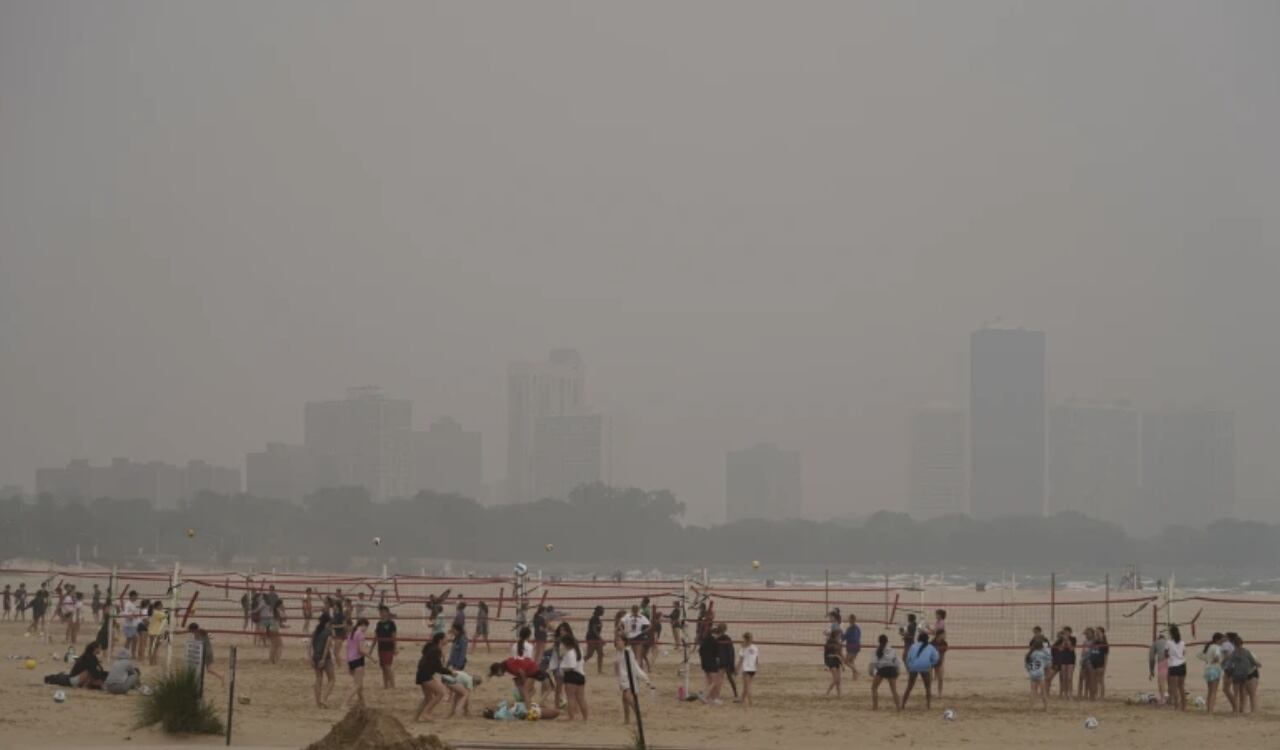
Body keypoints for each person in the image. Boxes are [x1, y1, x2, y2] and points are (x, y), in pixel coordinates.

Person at [614, 632, 651, 725]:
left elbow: (635, 667)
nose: (616, 642)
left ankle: (639, 715)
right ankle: (627, 720)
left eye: (618, 640)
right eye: (616, 640)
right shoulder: (619, 652)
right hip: (623, 679)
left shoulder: (628, 652)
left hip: (630, 679)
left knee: (627, 697)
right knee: (624, 699)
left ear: (624, 642)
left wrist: (645, 678)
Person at [414, 632, 452, 722]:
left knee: (428, 698)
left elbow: (434, 666)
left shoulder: (433, 648)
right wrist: (450, 672)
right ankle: (426, 713)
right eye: (446, 638)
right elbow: (438, 667)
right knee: (441, 693)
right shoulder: (436, 650)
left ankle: (415, 718)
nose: (447, 639)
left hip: (422, 674)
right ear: (440, 640)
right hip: (425, 675)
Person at [1223, 633, 1261, 715]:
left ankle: (1239, 710)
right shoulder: (1246, 652)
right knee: (1247, 693)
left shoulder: (1233, 653)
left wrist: (1228, 673)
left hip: (1240, 674)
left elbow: (1229, 665)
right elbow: (1254, 662)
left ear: (1234, 644)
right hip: (1246, 674)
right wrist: (1258, 664)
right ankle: (1246, 710)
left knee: (1239, 693)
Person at [901, 631, 939, 709]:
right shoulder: (930, 647)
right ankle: (928, 706)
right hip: (925, 666)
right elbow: (936, 658)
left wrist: (909, 666)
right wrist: (930, 664)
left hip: (914, 666)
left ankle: (903, 705)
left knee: (909, 687)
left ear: (918, 638)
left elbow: (908, 658)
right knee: (928, 687)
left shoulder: (913, 646)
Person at [343, 618, 372, 708]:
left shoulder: (351, 633)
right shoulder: (360, 634)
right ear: (363, 625)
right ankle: (345, 703)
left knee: (359, 684)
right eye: (366, 627)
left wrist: (348, 663)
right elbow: (361, 650)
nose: (366, 629)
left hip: (351, 660)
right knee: (357, 685)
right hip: (358, 660)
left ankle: (361, 702)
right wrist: (371, 657)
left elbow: (347, 648)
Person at [869, 634, 903, 711]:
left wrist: (871, 672)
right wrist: (898, 671)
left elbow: (873, 663)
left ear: (879, 641)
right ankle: (898, 707)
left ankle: (875, 707)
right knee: (894, 690)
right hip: (892, 669)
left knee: (874, 688)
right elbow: (897, 662)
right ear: (887, 641)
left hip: (882, 669)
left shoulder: (876, 650)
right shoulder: (892, 650)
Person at [560, 631, 589, 720]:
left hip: (571, 676)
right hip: (580, 675)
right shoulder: (579, 649)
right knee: (581, 698)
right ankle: (585, 717)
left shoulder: (570, 653)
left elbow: (571, 666)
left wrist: (563, 668)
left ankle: (571, 717)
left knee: (571, 698)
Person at [311, 613, 336, 707]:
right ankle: (324, 699)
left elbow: (310, 646)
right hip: (325, 657)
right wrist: (323, 659)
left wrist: (311, 658)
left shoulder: (316, 631)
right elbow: (326, 647)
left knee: (318, 679)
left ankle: (318, 702)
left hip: (315, 656)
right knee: (332, 679)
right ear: (328, 623)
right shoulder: (328, 632)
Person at [1198, 632, 1225, 714]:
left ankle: (1208, 710)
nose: (1223, 642)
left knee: (1209, 691)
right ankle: (1210, 710)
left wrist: (1209, 661)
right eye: (1221, 640)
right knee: (1214, 692)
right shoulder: (1217, 647)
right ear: (1217, 640)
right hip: (1215, 669)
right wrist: (1217, 661)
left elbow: (1200, 655)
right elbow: (1217, 657)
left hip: (1208, 669)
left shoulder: (1209, 647)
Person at [1165, 624, 1188, 711]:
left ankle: (1176, 706)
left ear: (1171, 633)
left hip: (1173, 665)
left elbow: (1166, 654)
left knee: (1174, 687)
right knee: (1181, 686)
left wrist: (1171, 656)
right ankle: (1184, 706)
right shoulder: (1182, 642)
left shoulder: (1168, 642)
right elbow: (1183, 653)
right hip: (1182, 664)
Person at [1025, 635, 1052, 710]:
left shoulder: (1030, 654)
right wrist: (1046, 648)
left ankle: (1031, 708)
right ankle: (1046, 708)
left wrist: (1030, 671)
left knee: (1033, 691)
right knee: (1043, 691)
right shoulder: (1042, 654)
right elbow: (1049, 659)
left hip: (1033, 673)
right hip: (1040, 674)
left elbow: (1027, 665)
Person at [1049, 627, 1076, 700]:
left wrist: (1068, 641)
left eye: (1067, 632)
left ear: (1070, 632)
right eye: (1064, 632)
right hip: (1063, 659)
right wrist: (1064, 641)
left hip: (1071, 660)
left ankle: (1070, 694)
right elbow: (1060, 649)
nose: (1065, 633)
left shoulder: (1073, 639)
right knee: (1064, 678)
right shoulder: (1061, 640)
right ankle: (1065, 694)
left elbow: (1071, 649)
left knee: (1069, 678)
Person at [374, 605, 397, 688]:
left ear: (387, 613)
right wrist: (371, 648)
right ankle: (385, 685)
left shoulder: (391, 623)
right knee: (383, 667)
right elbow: (376, 637)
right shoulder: (379, 623)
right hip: (381, 647)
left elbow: (394, 636)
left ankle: (393, 685)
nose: (382, 614)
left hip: (389, 647)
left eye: (384, 612)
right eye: (381, 612)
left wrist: (395, 648)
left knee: (387, 666)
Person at [699, 623, 722, 703]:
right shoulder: (715, 642)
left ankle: (711, 698)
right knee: (714, 682)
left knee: (709, 681)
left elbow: (700, 651)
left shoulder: (705, 640)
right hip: (712, 664)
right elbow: (717, 656)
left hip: (704, 663)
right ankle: (705, 696)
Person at [716, 623, 738, 700]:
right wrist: (732, 663)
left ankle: (717, 695)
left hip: (720, 661)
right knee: (730, 678)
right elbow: (731, 652)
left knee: (719, 678)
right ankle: (735, 694)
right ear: (725, 630)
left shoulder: (717, 639)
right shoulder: (728, 639)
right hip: (727, 661)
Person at [929, 610, 948, 696]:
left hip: (939, 657)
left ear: (940, 615)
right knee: (931, 676)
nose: (935, 615)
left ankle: (939, 694)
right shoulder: (937, 622)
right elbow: (935, 632)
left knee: (940, 677)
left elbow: (935, 631)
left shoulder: (941, 622)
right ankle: (930, 691)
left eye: (937, 614)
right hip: (934, 656)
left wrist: (927, 629)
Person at [737, 632, 758, 707]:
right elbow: (756, 659)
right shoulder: (755, 647)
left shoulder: (743, 648)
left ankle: (751, 703)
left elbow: (740, 660)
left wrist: (737, 669)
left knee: (748, 686)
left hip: (746, 669)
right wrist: (756, 667)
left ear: (745, 639)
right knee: (746, 686)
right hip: (753, 669)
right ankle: (742, 699)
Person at [1148, 629, 1169, 704]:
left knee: (1161, 682)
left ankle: (1163, 699)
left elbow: (1151, 658)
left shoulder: (1155, 643)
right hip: (1174, 663)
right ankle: (1171, 698)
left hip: (1162, 662)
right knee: (1172, 681)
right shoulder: (1168, 642)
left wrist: (1151, 671)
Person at [585, 606, 607, 674]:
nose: (603, 612)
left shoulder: (597, 618)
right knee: (589, 654)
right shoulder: (594, 619)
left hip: (596, 638)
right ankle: (578, 664)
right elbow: (594, 630)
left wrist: (600, 639)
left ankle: (599, 670)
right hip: (591, 638)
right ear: (598, 611)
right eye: (602, 610)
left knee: (600, 654)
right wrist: (601, 639)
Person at [121, 591, 142, 658]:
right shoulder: (128, 604)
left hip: (133, 624)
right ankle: (128, 654)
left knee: (132, 640)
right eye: (135, 596)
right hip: (129, 625)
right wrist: (132, 616)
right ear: (132, 596)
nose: (136, 597)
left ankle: (131, 654)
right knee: (130, 640)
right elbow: (126, 613)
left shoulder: (132, 604)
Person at [824, 629, 843, 697]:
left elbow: (841, 654)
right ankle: (827, 693)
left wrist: (842, 663)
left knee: (839, 679)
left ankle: (839, 694)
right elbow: (827, 655)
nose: (840, 637)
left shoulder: (838, 643)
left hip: (837, 661)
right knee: (836, 679)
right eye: (839, 636)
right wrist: (836, 656)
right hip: (831, 661)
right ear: (836, 636)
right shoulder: (829, 643)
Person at [1092, 626, 1110, 700]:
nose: (1096, 633)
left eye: (1098, 632)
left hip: (1100, 663)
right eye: (1096, 632)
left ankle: (1102, 696)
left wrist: (1104, 667)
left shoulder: (1105, 643)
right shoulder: (1095, 642)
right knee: (1095, 680)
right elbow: (1092, 652)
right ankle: (1096, 695)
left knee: (1100, 680)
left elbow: (1106, 656)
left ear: (1102, 633)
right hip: (1094, 662)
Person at [147, 601, 167, 665]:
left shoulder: (154, 612)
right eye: (161, 605)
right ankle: (153, 661)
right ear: (157, 606)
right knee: (155, 648)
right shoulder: (158, 613)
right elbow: (165, 617)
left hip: (152, 631)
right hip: (156, 632)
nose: (162, 606)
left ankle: (152, 660)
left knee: (152, 647)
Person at [843, 614, 862, 678]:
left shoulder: (850, 629)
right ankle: (855, 677)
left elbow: (845, 637)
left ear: (850, 620)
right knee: (852, 661)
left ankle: (857, 671)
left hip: (852, 646)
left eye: (849, 618)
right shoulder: (858, 628)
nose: (848, 619)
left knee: (846, 661)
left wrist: (840, 637)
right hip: (857, 646)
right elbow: (858, 637)